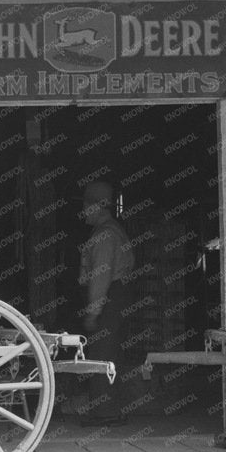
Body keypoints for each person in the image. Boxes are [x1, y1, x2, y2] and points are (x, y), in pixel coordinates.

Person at [77, 180, 135, 425]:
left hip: (109, 298)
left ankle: (105, 413)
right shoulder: (112, 230)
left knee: (102, 354)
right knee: (109, 352)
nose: (83, 211)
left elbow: (100, 277)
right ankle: (109, 409)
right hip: (116, 297)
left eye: (86, 206)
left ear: (97, 207)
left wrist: (93, 312)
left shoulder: (104, 236)